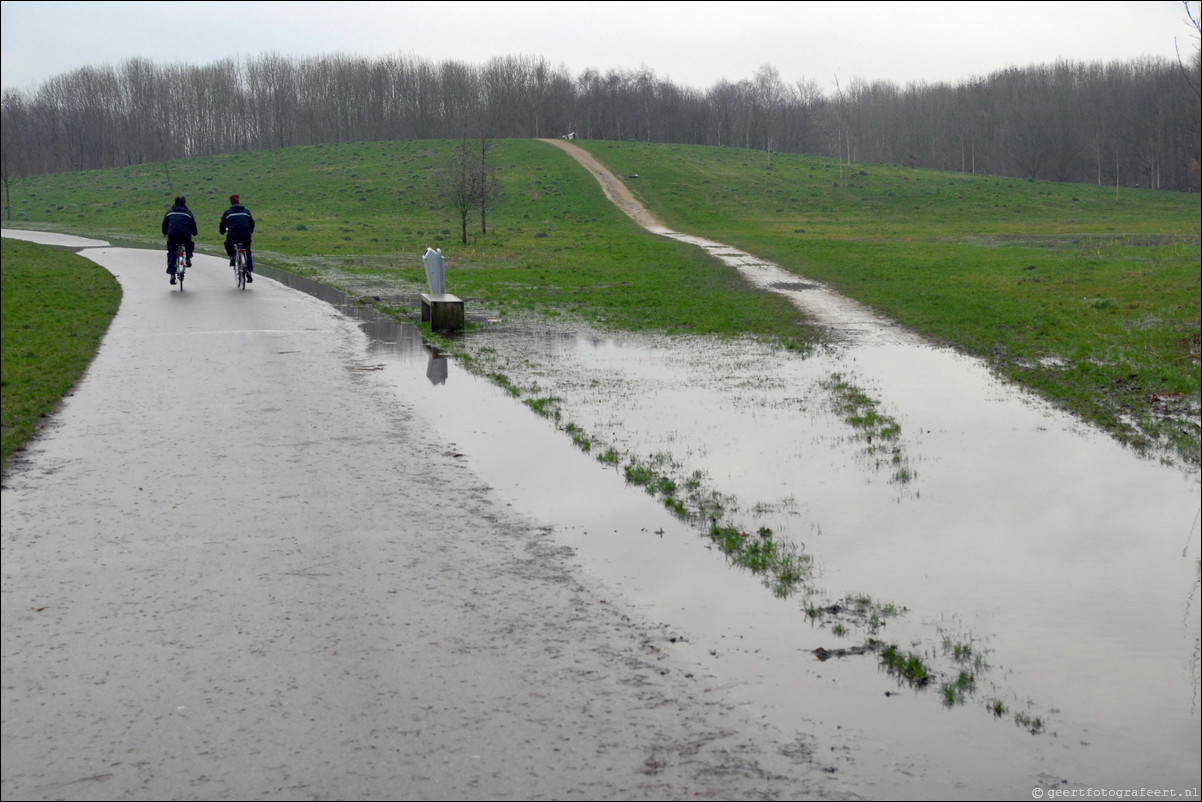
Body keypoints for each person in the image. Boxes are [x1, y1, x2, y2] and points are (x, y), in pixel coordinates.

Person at [161, 196, 198, 285]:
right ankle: (188, 258)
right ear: (184, 203)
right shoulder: (188, 213)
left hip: (173, 235)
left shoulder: (169, 212)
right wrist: (194, 233)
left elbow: (164, 224)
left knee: (171, 253)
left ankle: (172, 275)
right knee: (189, 244)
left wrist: (164, 232)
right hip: (185, 235)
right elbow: (193, 224)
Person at [219, 194, 256, 283]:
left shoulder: (227, 213)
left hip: (233, 234)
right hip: (246, 234)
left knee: (227, 244)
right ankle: (249, 271)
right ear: (239, 202)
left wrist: (222, 231)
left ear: (231, 202)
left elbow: (222, 224)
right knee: (248, 251)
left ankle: (232, 256)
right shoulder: (246, 211)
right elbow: (252, 222)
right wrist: (250, 231)